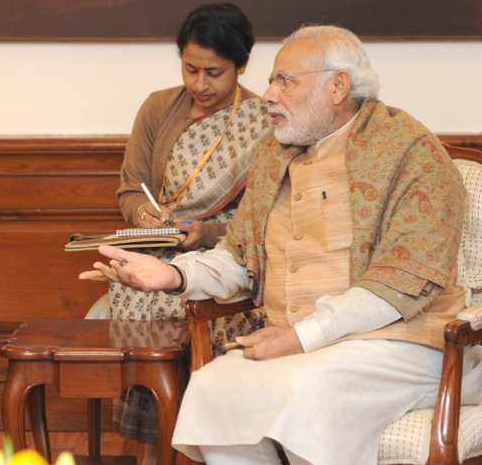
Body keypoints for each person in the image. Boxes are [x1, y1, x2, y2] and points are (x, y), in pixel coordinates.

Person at [80, 24, 482, 465]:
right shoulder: (275, 156)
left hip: (404, 343)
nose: (268, 95)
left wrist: (300, 337)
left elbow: (400, 283)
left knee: (311, 387)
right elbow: (238, 258)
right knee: (216, 387)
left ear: (338, 86)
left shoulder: (410, 152)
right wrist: (174, 274)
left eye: (284, 81)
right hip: (306, 345)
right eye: (272, 80)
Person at [95, 3, 273, 463]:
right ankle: (161, 444)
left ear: (241, 65)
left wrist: (208, 231)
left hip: (226, 258)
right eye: (191, 69)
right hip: (157, 252)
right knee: (126, 299)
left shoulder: (263, 121)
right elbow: (130, 189)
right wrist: (144, 219)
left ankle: (207, 444)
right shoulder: (158, 108)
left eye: (214, 72)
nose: (200, 84)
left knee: (184, 309)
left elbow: (264, 217)